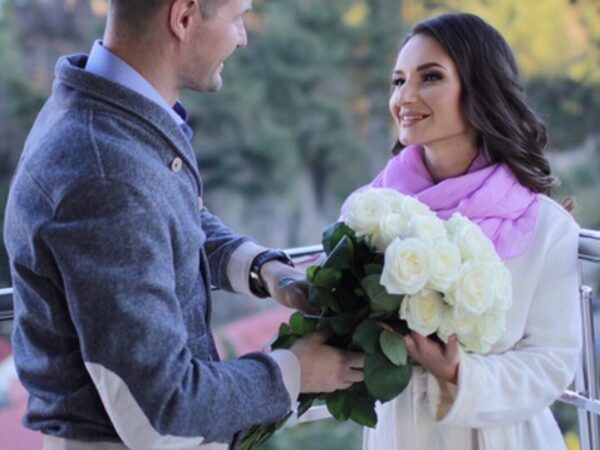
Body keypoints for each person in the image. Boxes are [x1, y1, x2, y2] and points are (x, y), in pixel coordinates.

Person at [2, 1, 365, 449]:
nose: (242, 38)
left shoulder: (101, 109)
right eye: (237, 17)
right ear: (184, 17)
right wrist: (295, 371)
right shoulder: (105, 169)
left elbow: (161, 216)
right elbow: (163, 412)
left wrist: (262, 269)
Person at [350, 12, 582, 450]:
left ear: (479, 87)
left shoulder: (546, 227)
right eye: (398, 81)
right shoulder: (371, 212)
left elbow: (552, 363)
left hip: (503, 439)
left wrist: (457, 374)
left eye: (430, 77)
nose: (405, 96)